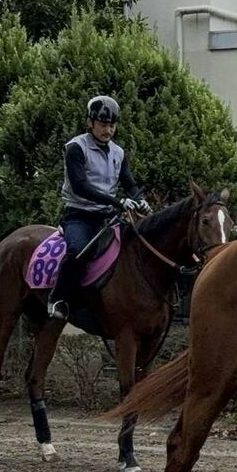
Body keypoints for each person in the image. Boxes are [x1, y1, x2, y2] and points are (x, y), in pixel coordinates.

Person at [47, 95, 151, 320]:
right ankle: (59, 298)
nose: (108, 130)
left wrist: (139, 198)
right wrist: (118, 202)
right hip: (79, 215)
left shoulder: (119, 152)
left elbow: (129, 182)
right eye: (103, 124)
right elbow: (80, 186)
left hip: (107, 216)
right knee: (79, 251)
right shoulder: (76, 148)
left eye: (112, 125)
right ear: (90, 123)